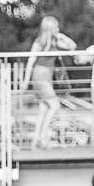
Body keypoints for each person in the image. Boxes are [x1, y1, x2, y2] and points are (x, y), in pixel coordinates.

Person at [25, 16, 78, 149]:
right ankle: (43, 137)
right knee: (54, 106)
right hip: (40, 75)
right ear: (49, 28)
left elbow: (72, 46)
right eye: (55, 27)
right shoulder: (39, 42)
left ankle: (36, 140)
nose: (58, 28)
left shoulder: (55, 41)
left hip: (48, 76)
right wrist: (25, 81)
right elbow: (31, 61)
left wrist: (61, 35)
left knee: (44, 110)